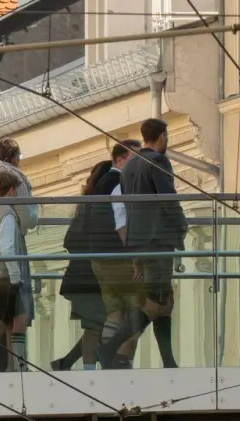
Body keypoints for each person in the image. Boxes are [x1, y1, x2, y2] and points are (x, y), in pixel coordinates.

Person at [103, 118, 188, 368]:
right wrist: (181, 226)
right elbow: (168, 199)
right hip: (158, 239)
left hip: (139, 240)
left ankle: (168, 361)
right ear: (161, 136)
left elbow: (128, 205)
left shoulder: (129, 166)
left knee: (164, 298)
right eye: (166, 137)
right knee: (157, 301)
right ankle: (108, 348)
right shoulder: (158, 161)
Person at [68, 141, 138, 370]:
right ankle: (119, 359)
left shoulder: (98, 186)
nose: (138, 163)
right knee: (138, 310)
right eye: (134, 157)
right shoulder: (119, 182)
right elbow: (121, 219)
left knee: (114, 311)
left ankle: (109, 358)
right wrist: (133, 253)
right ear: (119, 159)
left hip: (98, 258)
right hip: (117, 256)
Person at [0, 138, 39, 370]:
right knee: (16, 316)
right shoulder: (16, 179)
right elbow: (29, 219)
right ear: (14, 157)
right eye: (20, 158)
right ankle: (18, 367)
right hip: (11, 248)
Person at [54, 161, 112, 371]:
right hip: (90, 277)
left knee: (99, 325)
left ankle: (68, 362)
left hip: (80, 276)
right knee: (96, 327)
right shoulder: (100, 206)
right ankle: (87, 371)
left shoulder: (84, 205)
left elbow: (70, 241)